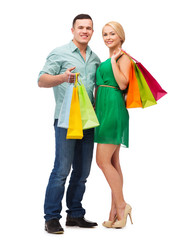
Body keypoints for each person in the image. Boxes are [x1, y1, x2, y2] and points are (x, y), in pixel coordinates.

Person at [38, 14, 100, 234]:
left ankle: (75, 214)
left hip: (88, 123)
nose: (85, 31)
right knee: (62, 169)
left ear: (92, 31)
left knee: (82, 172)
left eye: (89, 28)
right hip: (65, 121)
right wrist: (63, 78)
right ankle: (52, 217)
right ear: (72, 30)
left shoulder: (95, 58)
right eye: (80, 27)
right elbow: (41, 80)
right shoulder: (60, 53)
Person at [94, 21, 133, 228]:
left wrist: (114, 61)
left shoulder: (123, 58)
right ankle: (115, 213)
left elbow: (122, 83)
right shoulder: (109, 59)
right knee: (114, 162)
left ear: (120, 36)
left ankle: (122, 205)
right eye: (105, 34)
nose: (108, 37)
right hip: (102, 111)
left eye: (112, 34)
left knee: (102, 161)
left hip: (113, 110)